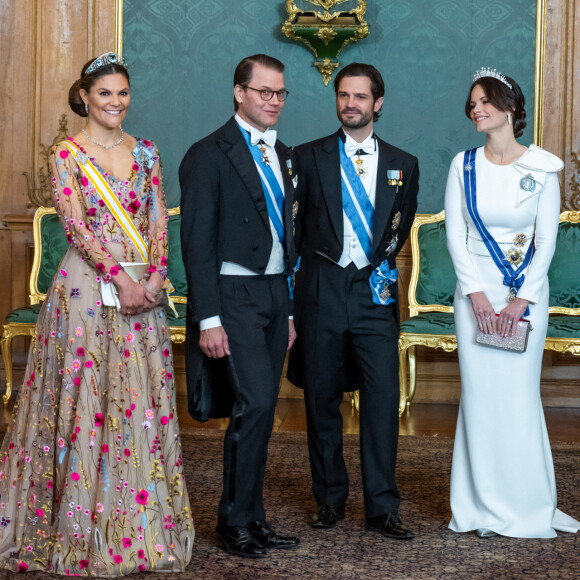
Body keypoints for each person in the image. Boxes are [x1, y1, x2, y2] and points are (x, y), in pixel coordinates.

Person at [0, 53, 194, 575]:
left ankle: (142, 528)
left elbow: (158, 220)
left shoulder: (147, 151)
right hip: (87, 289)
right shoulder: (67, 153)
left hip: (143, 289)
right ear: (85, 96)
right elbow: (77, 227)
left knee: (137, 398)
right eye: (105, 93)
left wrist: (153, 277)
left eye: (123, 93)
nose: (115, 103)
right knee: (86, 397)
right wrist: (121, 278)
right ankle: (79, 527)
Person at [445, 67, 580, 538]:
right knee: (480, 398)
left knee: (518, 398)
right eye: (472, 102)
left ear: (510, 107)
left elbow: (547, 241)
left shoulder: (542, 166)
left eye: (484, 101)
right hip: (475, 299)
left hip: (524, 300)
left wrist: (519, 300)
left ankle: (527, 503)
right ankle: (480, 506)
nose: (476, 109)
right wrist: (477, 295)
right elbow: (456, 235)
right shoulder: (463, 165)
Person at [289, 63, 419, 539]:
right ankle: (329, 498)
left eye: (360, 97)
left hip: (374, 292)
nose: (351, 104)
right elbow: (294, 229)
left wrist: (376, 265)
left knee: (382, 402)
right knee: (322, 399)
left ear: (377, 103)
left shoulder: (405, 163)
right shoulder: (306, 156)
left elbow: (399, 227)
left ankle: (383, 506)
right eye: (344, 95)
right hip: (321, 289)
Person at [179, 54, 300, 558]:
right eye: (263, 92)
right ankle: (233, 521)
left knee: (265, 410)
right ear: (239, 93)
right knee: (254, 406)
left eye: (279, 93)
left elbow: (290, 235)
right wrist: (208, 317)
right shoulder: (208, 153)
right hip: (234, 295)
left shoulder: (284, 154)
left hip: (275, 294)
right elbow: (196, 243)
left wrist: (290, 310)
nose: (272, 101)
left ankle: (254, 516)